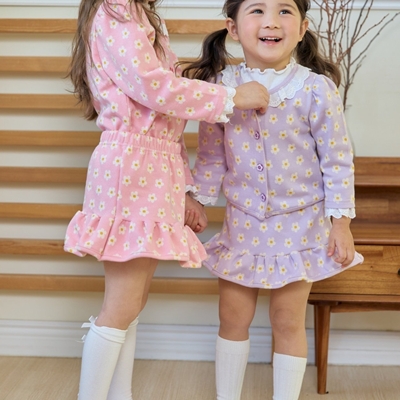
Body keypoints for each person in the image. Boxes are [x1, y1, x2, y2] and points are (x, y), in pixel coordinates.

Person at [63, 0, 270, 399]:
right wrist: (229, 98)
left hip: (153, 165)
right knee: (121, 305)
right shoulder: (115, 12)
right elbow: (154, 88)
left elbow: (166, 123)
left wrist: (185, 187)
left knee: (132, 303)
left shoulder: (137, 13)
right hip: (131, 166)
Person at [183, 0, 364, 399]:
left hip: (300, 227)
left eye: (284, 11)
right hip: (243, 223)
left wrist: (341, 223)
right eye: (257, 11)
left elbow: (337, 160)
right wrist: (198, 199)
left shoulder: (316, 89)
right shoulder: (221, 91)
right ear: (233, 28)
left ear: (302, 29)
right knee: (232, 316)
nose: (271, 22)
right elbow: (211, 155)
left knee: (287, 320)